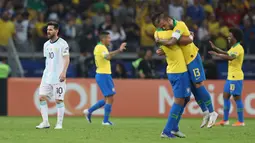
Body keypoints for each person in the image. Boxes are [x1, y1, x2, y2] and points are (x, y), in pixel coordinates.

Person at [154, 12, 218, 128]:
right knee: (193, 87)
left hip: (193, 58)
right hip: (185, 62)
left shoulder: (179, 25)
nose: (163, 28)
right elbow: (179, 43)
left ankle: (213, 112)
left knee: (198, 84)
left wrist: (161, 42)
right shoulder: (168, 30)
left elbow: (175, 41)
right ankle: (205, 112)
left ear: (168, 20)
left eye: (163, 25)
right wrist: (164, 49)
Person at [152, 14, 192, 138]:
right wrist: (190, 36)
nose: (165, 27)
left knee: (186, 98)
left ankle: (174, 127)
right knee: (179, 100)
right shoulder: (166, 34)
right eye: (162, 25)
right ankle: (166, 131)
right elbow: (187, 39)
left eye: (164, 24)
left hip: (177, 69)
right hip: (177, 71)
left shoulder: (159, 34)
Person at [83, 31, 126, 125]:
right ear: (103, 39)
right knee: (110, 98)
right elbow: (107, 57)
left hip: (104, 74)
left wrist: (115, 51)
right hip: (103, 75)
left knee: (108, 98)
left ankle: (89, 111)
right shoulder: (100, 47)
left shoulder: (101, 47)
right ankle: (105, 121)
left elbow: (107, 56)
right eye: (108, 38)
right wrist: (119, 50)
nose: (110, 40)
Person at [36, 22, 70, 130]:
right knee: (41, 97)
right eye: (47, 29)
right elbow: (48, 60)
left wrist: (64, 72)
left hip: (58, 76)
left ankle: (59, 124)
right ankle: (45, 122)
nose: (48, 31)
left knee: (59, 100)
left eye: (50, 29)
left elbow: (66, 59)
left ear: (56, 31)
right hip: (47, 76)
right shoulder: (46, 45)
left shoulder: (63, 44)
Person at [209, 28, 245, 127]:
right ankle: (225, 120)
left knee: (237, 98)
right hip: (230, 77)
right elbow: (227, 53)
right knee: (225, 96)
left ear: (235, 37)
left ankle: (241, 121)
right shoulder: (233, 48)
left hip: (236, 77)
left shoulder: (239, 48)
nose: (228, 37)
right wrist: (215, 48)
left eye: (230, 35)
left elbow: (231, 57)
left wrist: (217, 55)